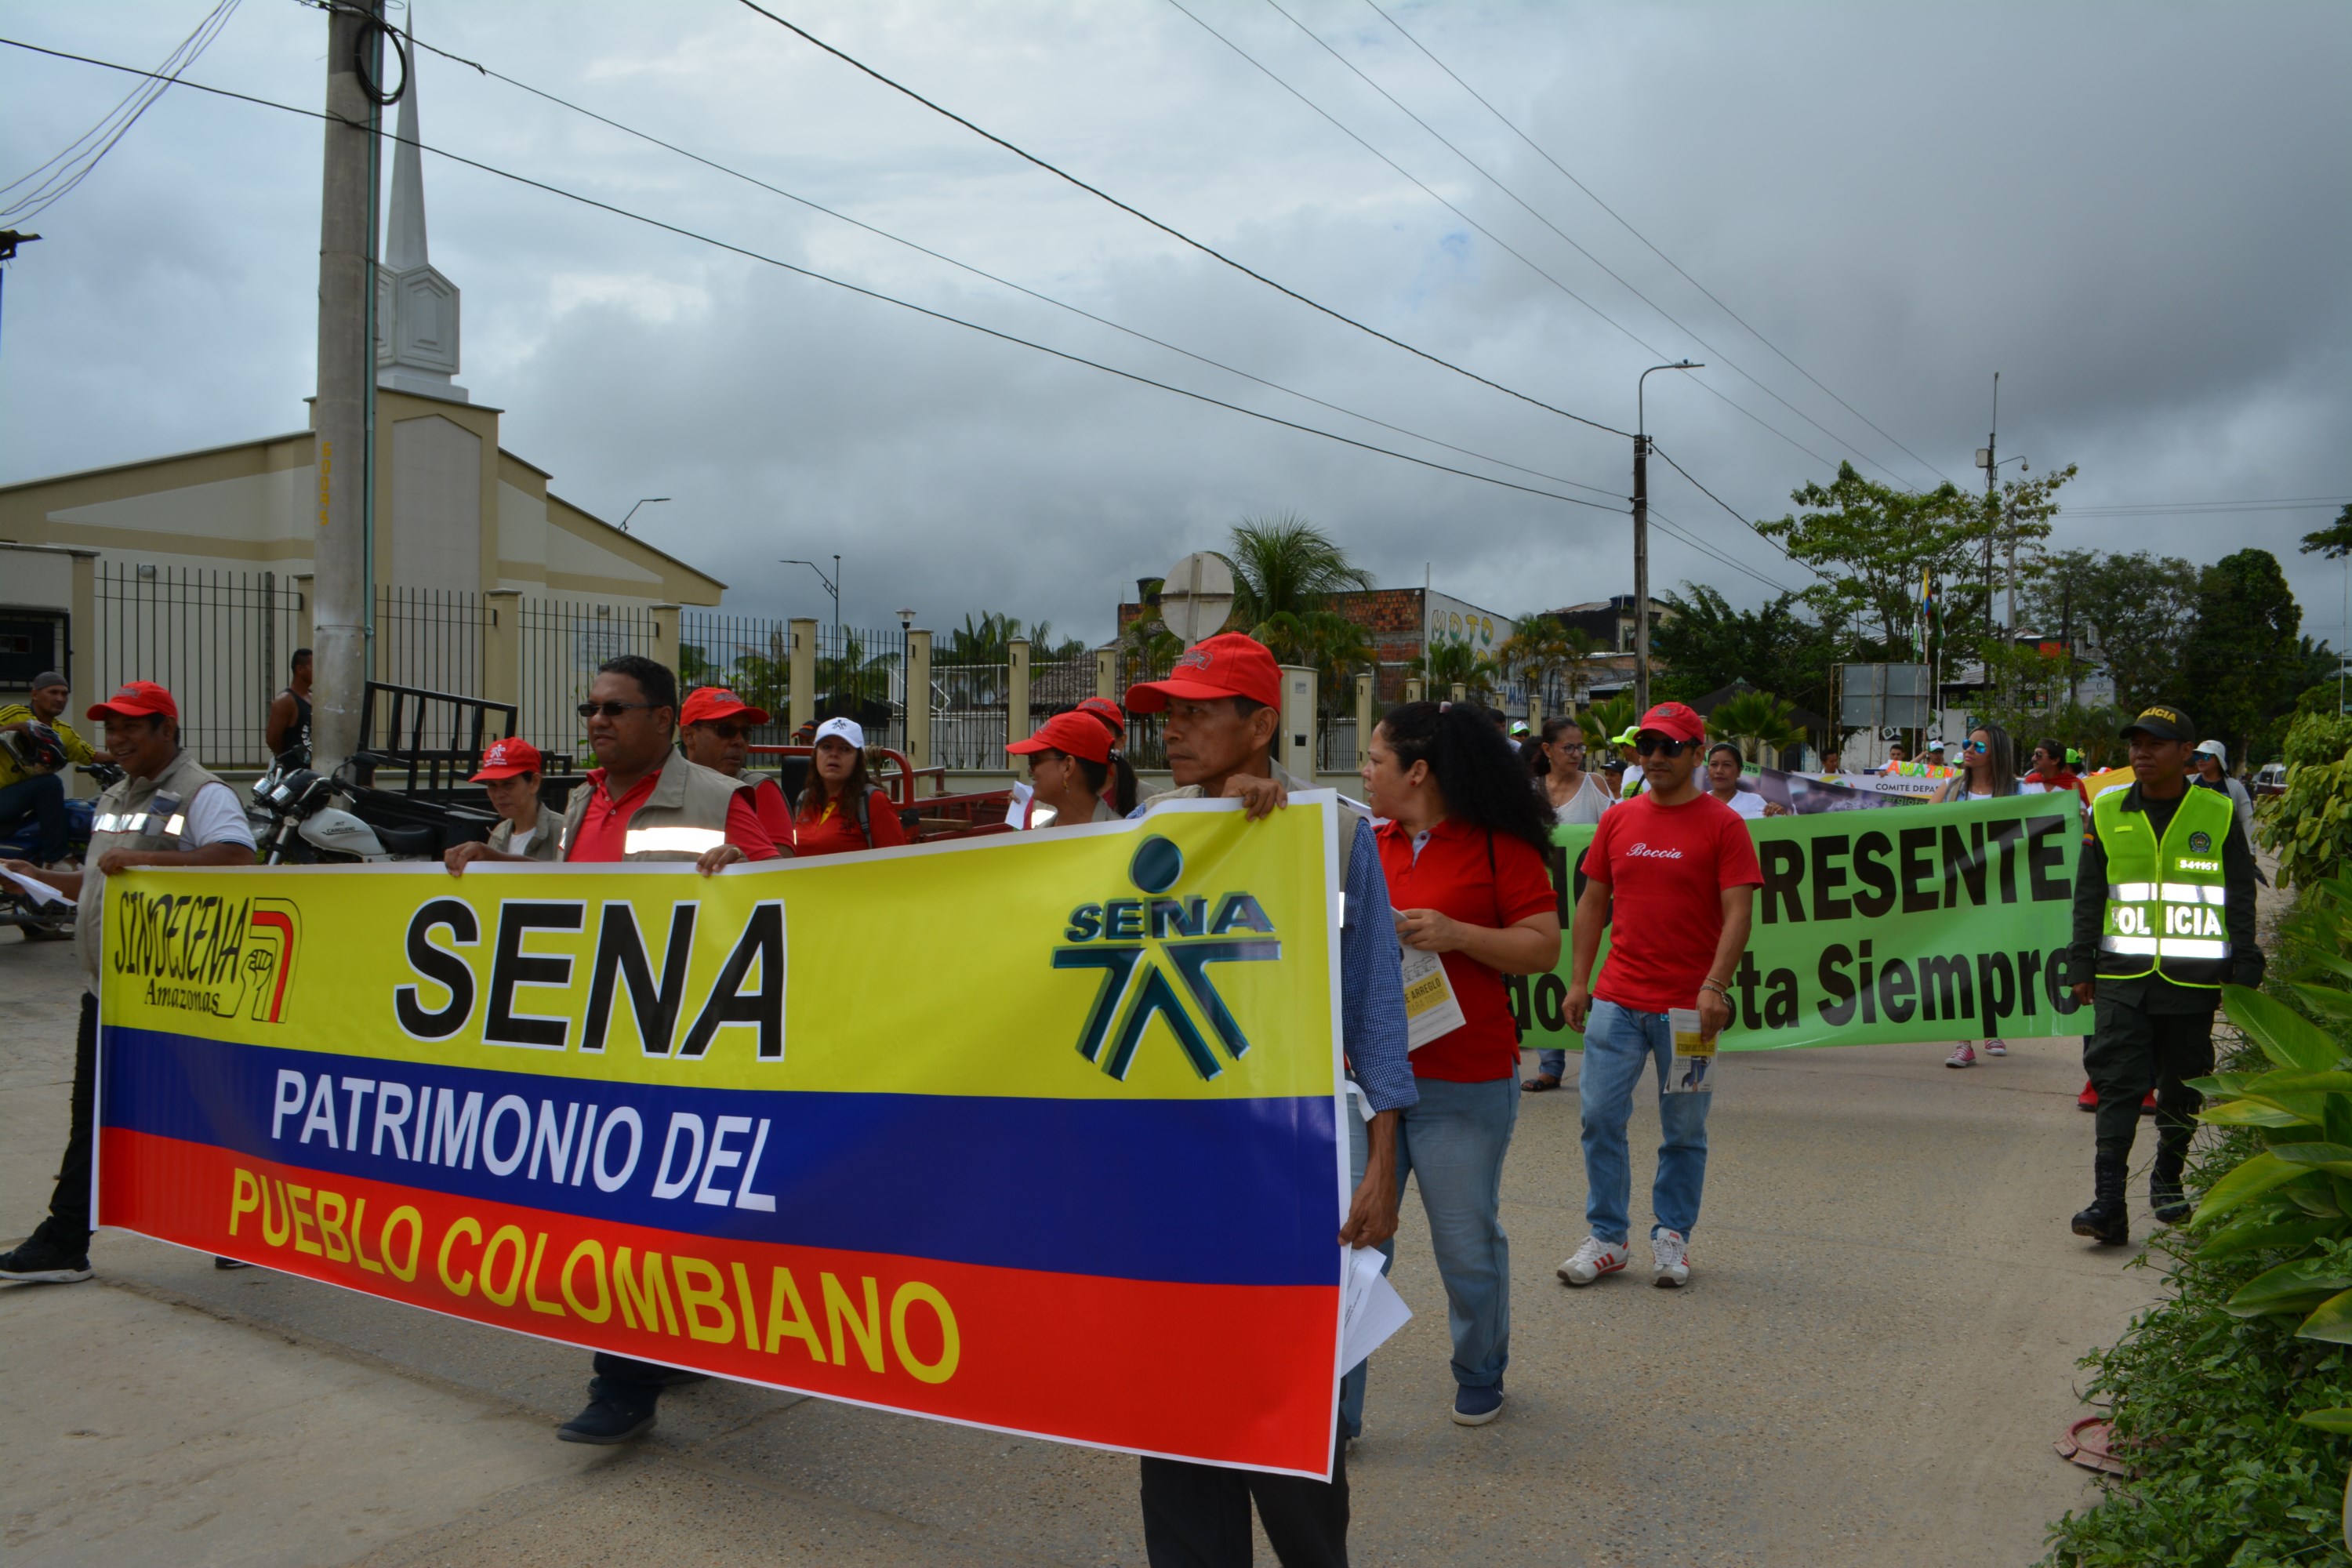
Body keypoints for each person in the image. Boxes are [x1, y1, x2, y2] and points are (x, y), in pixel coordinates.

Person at [1120, 631, 1413, 1566]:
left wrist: (1383, 1165)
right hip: (1167, 1175)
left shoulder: (1331, 832)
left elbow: (1374, 1007)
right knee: (1172, 1419)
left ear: (1260, 723)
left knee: (1287, 1425)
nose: (1175, 726)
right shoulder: (1149, 830)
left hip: (1285, 1173)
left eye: (1199, 709)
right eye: (1170, 710)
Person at [446, 655, 781, 1443]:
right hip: (600, 1049)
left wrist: (749, 865)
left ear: (664, 721)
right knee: (617, 1213)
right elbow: (565, 899)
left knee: (647, 1215)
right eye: (591, 706)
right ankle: (656, 1352)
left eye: (616, 708)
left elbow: (789, 891)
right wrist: (496, 866)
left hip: (684, 1048)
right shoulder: (580, 804)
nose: (597, 719)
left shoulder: (718, 798)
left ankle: (622, 1382)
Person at [0, 681, 256, 1286]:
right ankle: (66, 1240)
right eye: (111, 729)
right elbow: (100, 881)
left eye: (130, 729)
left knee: (206, 1110)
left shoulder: (203, 792)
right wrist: (36, 877)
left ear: (167, 729)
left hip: (176, 992)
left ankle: (239, 1227)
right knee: (93, 1115)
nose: (115, 740)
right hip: (110, 990)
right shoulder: (115, 795)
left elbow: (239, 859)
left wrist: (150, 864)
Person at [1363, 701, 1560, 1427]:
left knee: (1465, 1242)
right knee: (1355, 1244)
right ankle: (1338, 1413)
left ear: (1418, 771)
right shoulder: (1360, 840)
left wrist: (1457, 933)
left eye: (1375, 760)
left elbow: (1543, 948)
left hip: (1464, 1079)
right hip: (1366, 1082)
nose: (1364, 771)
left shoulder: (1496, 848)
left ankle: (1480, 1367)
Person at [1557, 702, 1761, 1291]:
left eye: (1670, 747)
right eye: (1647, 747)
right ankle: (1608, 1239)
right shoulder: (1619, 820)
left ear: (1698, 754)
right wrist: (1579, 981)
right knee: (1598, 1117)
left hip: (1689, 1010)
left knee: (1684, 1129)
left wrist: (1715, 986)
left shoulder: (1724, 825)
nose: (1656, 758)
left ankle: (1672, 1235)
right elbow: (1593, 903)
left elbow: (1738, 912)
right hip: (1618, 1000)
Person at [2067, 704, 2262, 1244]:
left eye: (2155, 744)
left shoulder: (2217, 813)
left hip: (2192, 979)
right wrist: (2081, 961)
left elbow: (2239, 895)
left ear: (2187, 755)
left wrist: (2244, 965)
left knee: (2181, 1086)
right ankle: (2108, 1204)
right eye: (2136, 744)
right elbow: (2090, 894)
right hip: (2122, 977)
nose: (2142, 753)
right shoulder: (2106, 811)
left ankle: (2168, 1181)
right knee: (2118, 1084)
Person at [1933, 724, 2029, 1069]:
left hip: (2003, 893)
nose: (1969, 750)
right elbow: (1919, 828)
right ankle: (1964, 1041)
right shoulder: (1952, 790)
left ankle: (1992, 1027)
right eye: (1967, 743)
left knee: (1995, 962)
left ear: (1997, 753)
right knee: (1962, 963)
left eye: (1980, 747)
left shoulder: (2021, 792)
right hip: (1960, 894)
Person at [1525, 717, 1610, 1094]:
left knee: (1587, 977)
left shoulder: (1596, 788)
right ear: (1547, 750)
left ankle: (1596, 1062)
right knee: (1546, 975)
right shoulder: (1529, 792)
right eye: (1568, 748)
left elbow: (1616, 833)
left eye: (1581, 748)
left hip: (1588, 904)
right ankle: (1549, 1065)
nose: (1576, 755)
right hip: (1543, 905)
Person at [0, 670, 95, 867]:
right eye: (53, 692)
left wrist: (133, 755)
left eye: (64, 693)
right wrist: (15, 727)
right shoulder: (14, 714)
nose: (60, 698)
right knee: (49, 784)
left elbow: (92, 756)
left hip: (15, 804)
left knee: (63, 808)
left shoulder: (62, 731)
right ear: (35, 694)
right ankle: (57, 858)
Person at [678, 687, 793, 842]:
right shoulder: (663, 787)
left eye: (746, 732)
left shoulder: (758, 789)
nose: (739, 741)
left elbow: (781, 864)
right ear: (689, 736)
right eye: (726, 730)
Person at [789, 717, 910, 855]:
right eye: (826, 747)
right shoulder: (804, 799)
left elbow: (895, 864)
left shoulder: (874, 802)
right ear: (815, 754)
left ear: (858, 759)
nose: (834, 754)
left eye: (845, 749)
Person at [1007, 709, 1136, 826]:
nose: (1030, 769)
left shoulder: (1120, 838)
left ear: (1068, 767)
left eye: (1034, 760)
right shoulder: (1039, 836)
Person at [469, 737, 561, 860]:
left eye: (508, 784)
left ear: (534, 783)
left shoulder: (563, 832)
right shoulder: (499, 834)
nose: (499, 794)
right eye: (492, 785)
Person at [2192, 740, 2256, 851]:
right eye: (2197, 756)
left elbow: (2247, 819)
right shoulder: (2188, 782)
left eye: (2206, 756)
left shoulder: (2235, 787)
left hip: (2227, 847)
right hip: (2194, 844)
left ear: (2218, 761)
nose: (2200, 760)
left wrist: (2250, 850)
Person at [265, 648, 313, 763]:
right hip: (294, 773)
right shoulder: (286, 700)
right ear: (300, 669)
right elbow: (272, 739)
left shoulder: (314, 697)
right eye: (314, 667)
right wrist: (289, 758)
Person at [1704, 742, 1769, 818]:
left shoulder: (1755, 802)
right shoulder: (1698, 803)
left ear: (1739, 771)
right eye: (1714, 764)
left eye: (1727, 765)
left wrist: (1780, 815)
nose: (1719, 771)